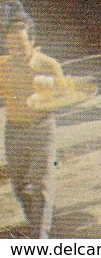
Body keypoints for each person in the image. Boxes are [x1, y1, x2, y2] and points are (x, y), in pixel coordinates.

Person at [0, 18, 63, 237]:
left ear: (33, 41)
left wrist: (49, 95)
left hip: (42, 129)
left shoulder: (48, 65)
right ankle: (40, 220)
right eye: (10, 46)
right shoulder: (2, 66)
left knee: (41, 187)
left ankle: (40, 239)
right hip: (14, 131)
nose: (15, 50)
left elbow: (66, 94)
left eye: (21, 45)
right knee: (19, 186)